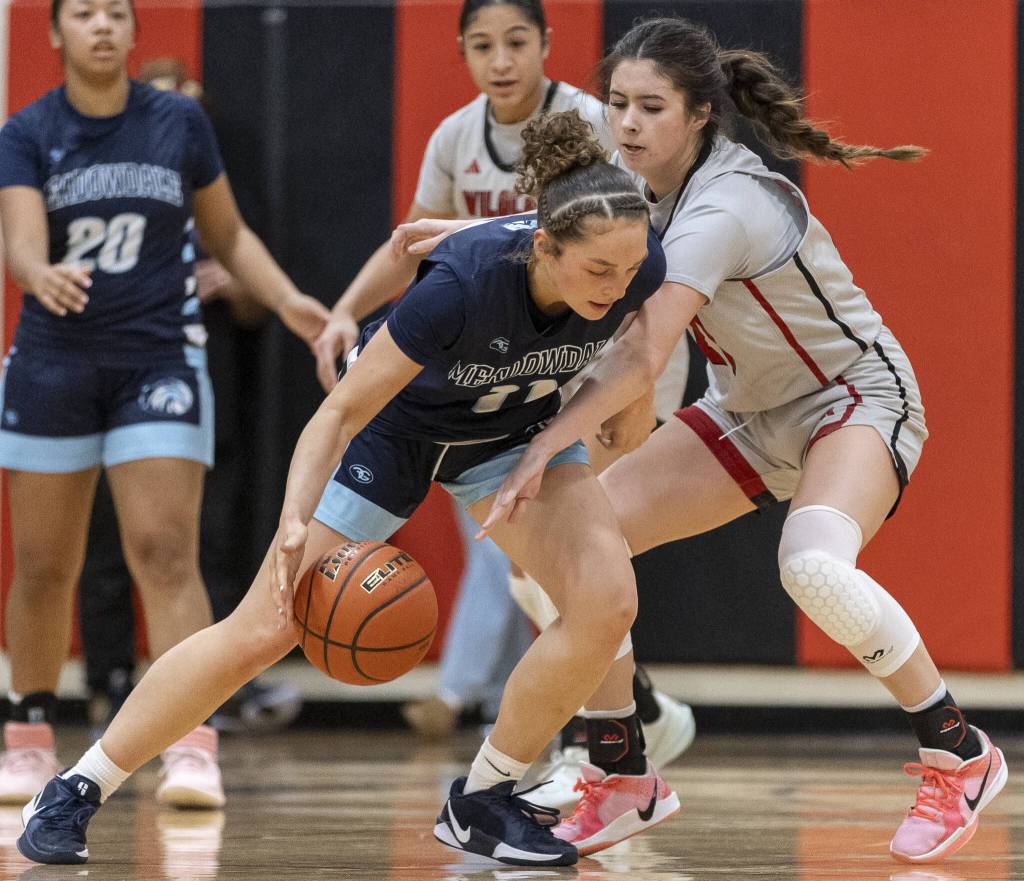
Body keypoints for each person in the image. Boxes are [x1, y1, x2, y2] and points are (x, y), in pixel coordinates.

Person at [17, 110, 683, 868]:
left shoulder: (632, 261)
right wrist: (296, 518)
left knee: (607, 598)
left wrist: (556, 444)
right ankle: (77, 786)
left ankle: (485, 799)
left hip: (511, 437)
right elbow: (338, 415)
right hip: (396, 436)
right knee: (262, 629)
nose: (617, 284)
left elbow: (637, 358)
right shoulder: (459, 289)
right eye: (599, 271)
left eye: (628, 271)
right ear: (543, 247)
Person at [417, 16, 1006, 864]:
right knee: (573, 558)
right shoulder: (624, 181)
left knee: (810, 566)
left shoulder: (726, 203)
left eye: (650, 106)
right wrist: (465, 241)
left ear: (698, 115)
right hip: (750, 407)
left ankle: (958, 750)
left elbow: (642, 349)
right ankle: (621, 770)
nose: (625, 122)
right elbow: (553, 241)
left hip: (852, 395)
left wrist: (547, 442)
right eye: (616, 101)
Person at [312, 0, 695, 795]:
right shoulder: (457, 136)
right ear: (462, 54)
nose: (501, 59)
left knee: (576, 558)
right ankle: (612, 719)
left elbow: (611, 241)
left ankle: (568, 726)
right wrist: (346, 307)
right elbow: (414, 239)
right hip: (501, 360)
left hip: (604, 354)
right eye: (483, 45)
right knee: (532, 557)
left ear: (547, 47)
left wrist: (639, 390)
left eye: (516, 41)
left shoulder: (590, 121)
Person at [0, 0, 328, 809]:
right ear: (55, 32)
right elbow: (17, 238)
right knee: (44, 563)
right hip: (54, 361)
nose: (102, 25)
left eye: (117, 11)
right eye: (84, 13)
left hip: (157, 357)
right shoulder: (27, 130)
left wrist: (289, 302)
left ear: (134, 29)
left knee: (164, 549)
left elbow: (230, 235)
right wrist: (38, 274)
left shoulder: (178, 121)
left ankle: (191, 743)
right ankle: (29, 732)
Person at [73, 57, 303, 740]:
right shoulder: (99, 175)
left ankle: (213, 690)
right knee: (109, 533)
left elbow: (250, 277)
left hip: (205, 372)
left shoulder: (215, 182)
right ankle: (107, 682)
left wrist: (241, 284)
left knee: (209, 534)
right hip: (112, 371)